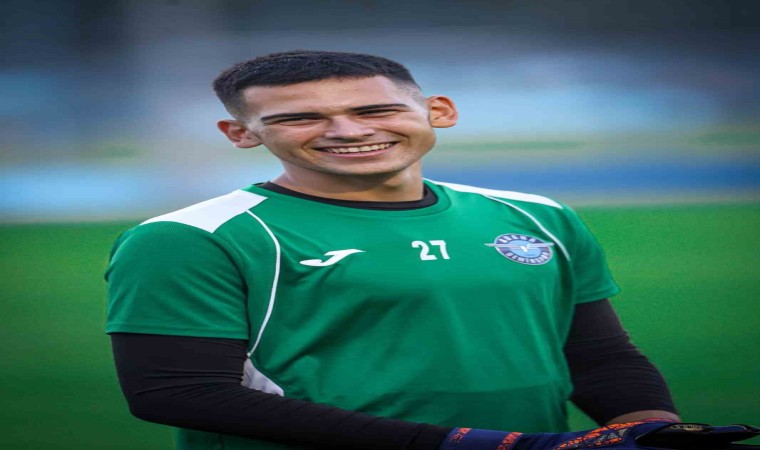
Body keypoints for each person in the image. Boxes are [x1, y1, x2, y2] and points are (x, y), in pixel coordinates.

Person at [105, 50, 685, 449]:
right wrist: (468, 444)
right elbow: (180, 393)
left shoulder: (538, 215)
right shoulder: (191, 237)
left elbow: (597, 354)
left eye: (375, 110)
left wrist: (655, 430)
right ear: (242, 133)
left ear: (438, 112)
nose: (348, 131)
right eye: (301, 118)